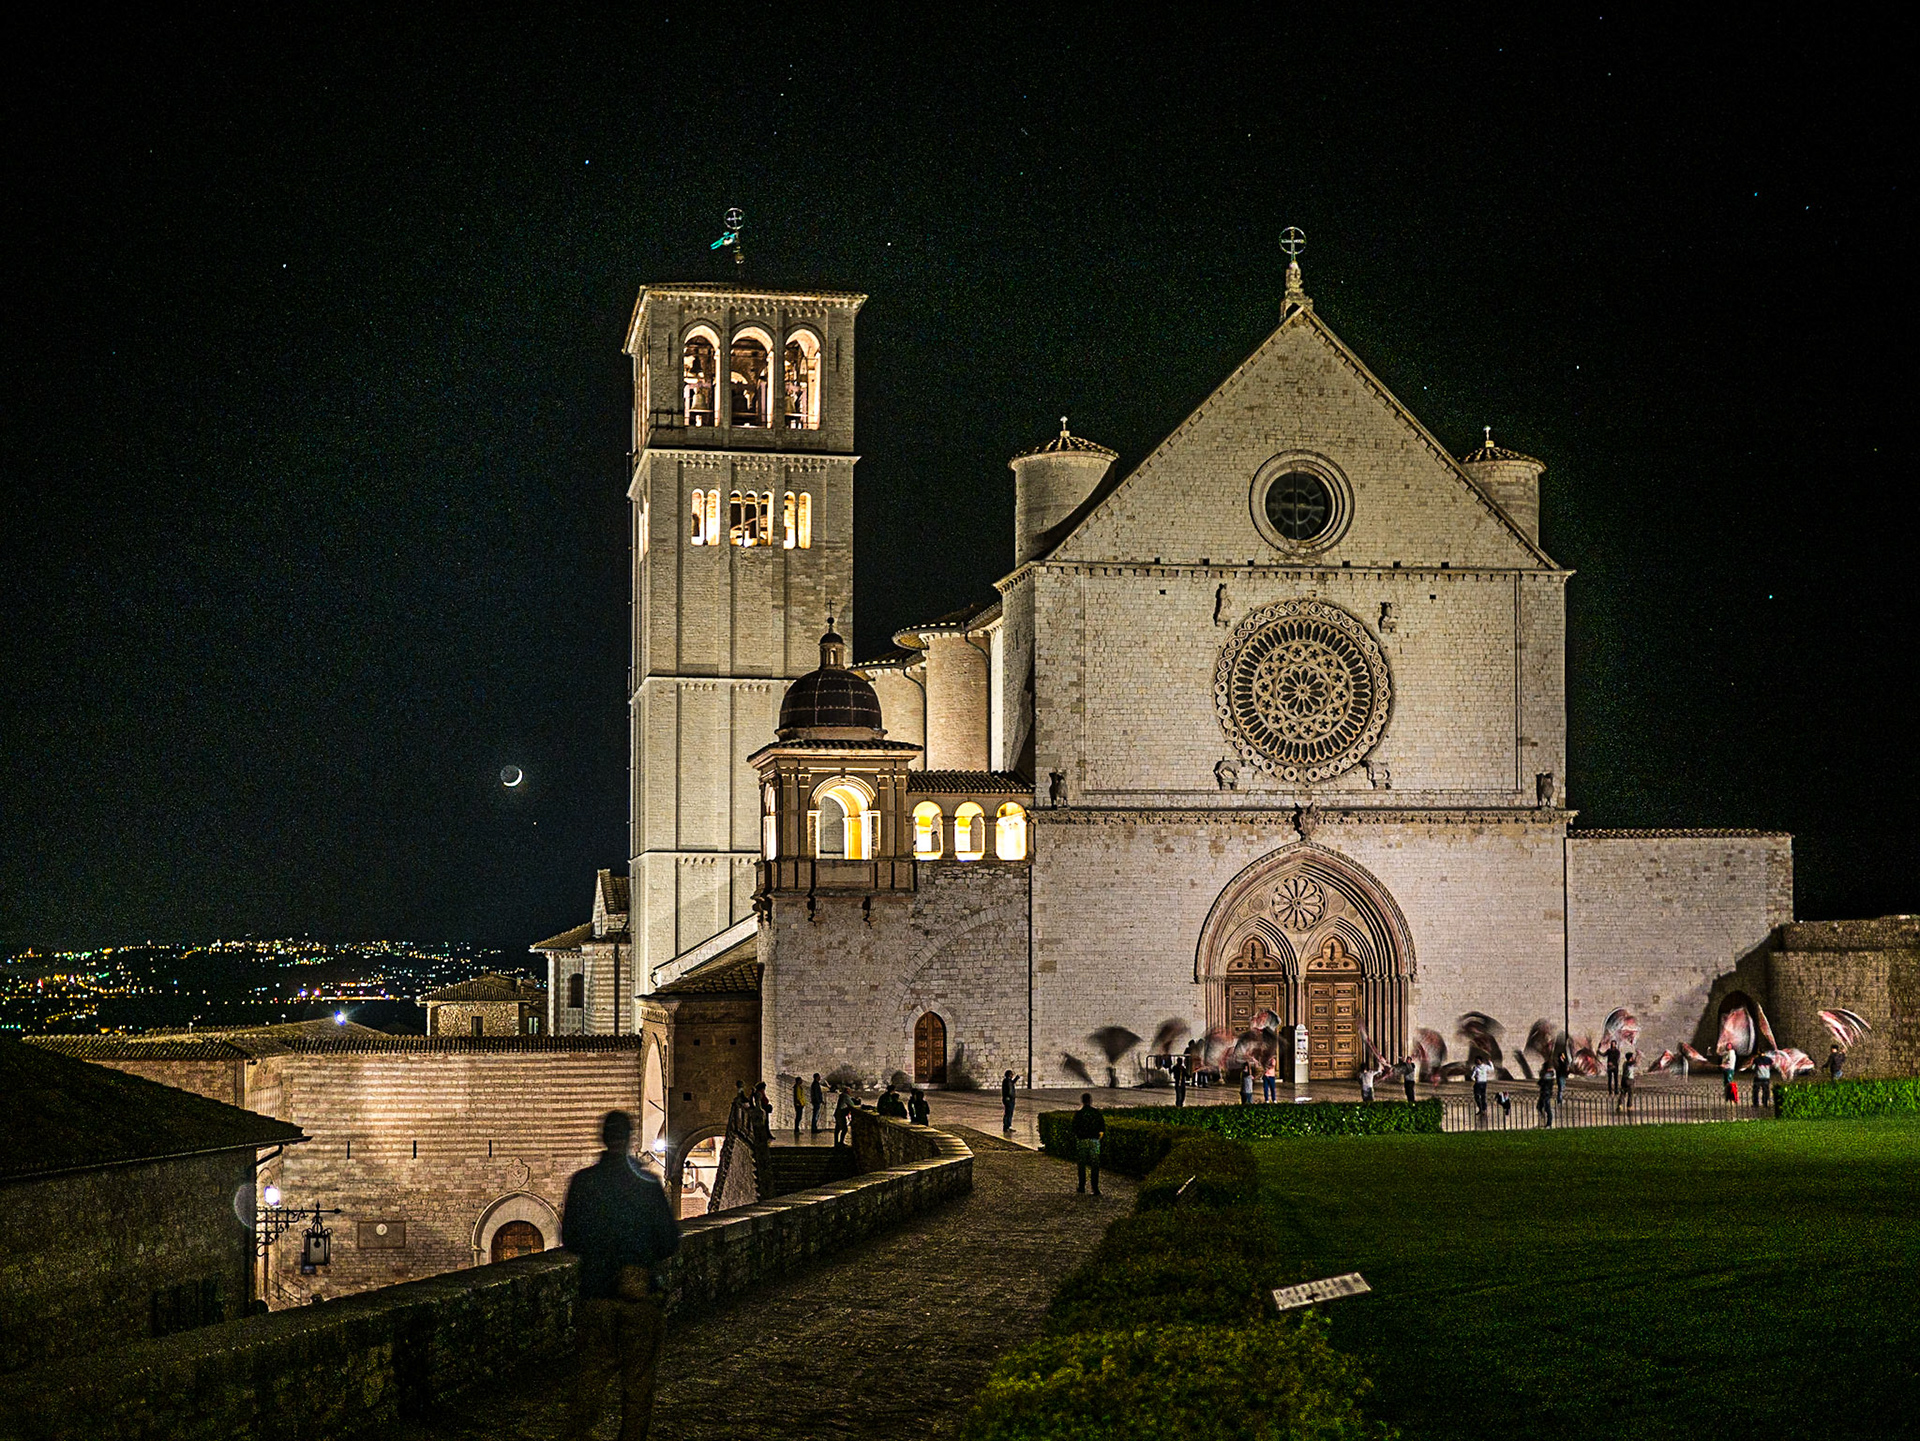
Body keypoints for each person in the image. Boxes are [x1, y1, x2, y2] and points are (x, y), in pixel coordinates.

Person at [561, 1110, 681, 1441]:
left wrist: (603, 1257)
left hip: (596, 1296)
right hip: (639, 1297)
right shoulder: (647, 1184)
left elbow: (571, 1238)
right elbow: (669, 1241)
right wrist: (638, 1257)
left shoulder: (584, 1182)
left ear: (603, 1138)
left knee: (590, 1380)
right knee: (638, 1384)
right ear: (629, 1138)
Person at [1070, 1092, 1105, 1196]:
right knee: (1095, 1165)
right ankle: (1095, 1188)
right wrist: (1098, 1138)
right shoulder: (1096, 1113)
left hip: (1082, 1141)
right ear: (1090, 1101)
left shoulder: (1079, 1114)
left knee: (1082, 1165)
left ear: (1082, 1101)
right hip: (1094, 1141)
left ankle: (1081, 1186)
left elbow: (1074, 1128)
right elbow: (1102, 1128)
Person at [791, 1076, 806, 1140]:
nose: (802, 1081)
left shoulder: (799, 1087)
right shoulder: (797, 1087)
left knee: (799, 1117)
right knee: (798, 1117)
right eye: (801, 1080)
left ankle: (797, 1129)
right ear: (798, 1081)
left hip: (800, 1104)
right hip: (798, 1104)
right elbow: (798, 1096)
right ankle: (796, 1129)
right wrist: (800, 1103)